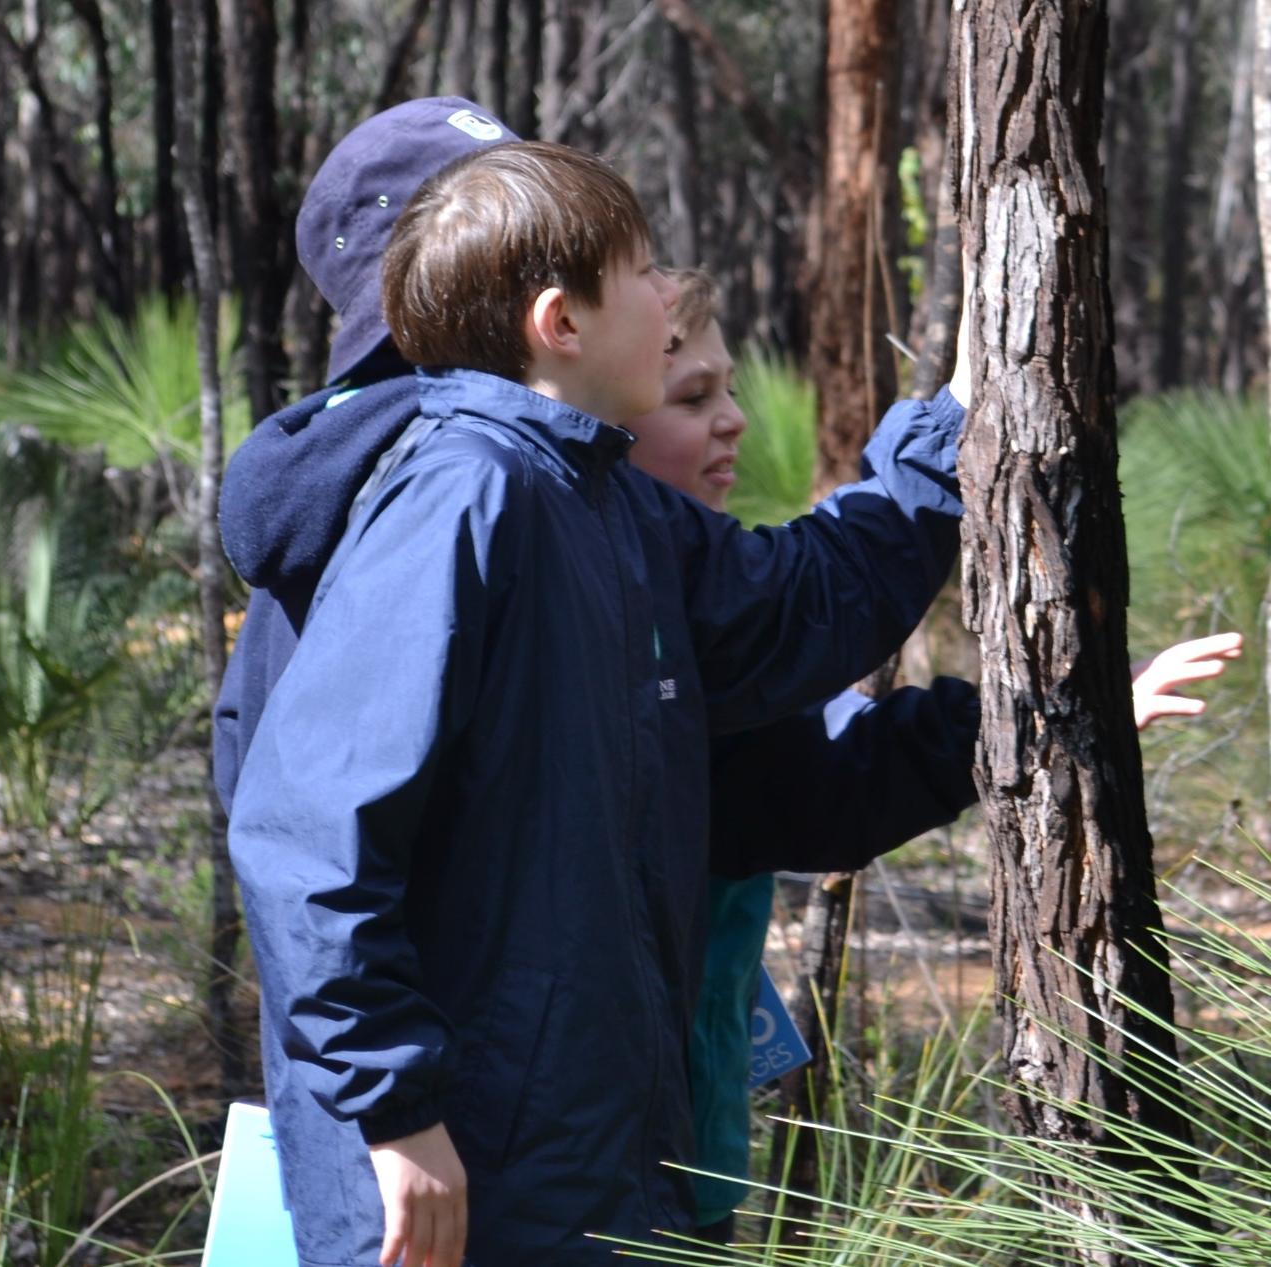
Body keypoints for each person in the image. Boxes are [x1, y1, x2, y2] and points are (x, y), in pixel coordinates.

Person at [223, 119, 970, 1267]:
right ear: (557, 322)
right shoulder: (463, 496)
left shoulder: (596, 498)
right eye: (638, 273)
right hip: (461, 1176)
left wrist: (948, 434)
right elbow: (308, 835)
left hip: (583, 1157)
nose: (668, 295)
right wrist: (398, 1112)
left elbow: (794, 603)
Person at [620, 268, 1244, 1243]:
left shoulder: (657, 614)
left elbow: (817, 782)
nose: (734, 418)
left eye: (729, 386)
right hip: (594, 1183)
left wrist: (1056, 712)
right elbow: (811, 618)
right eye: (692, 397)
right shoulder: (600, 620)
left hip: (673, 1167)